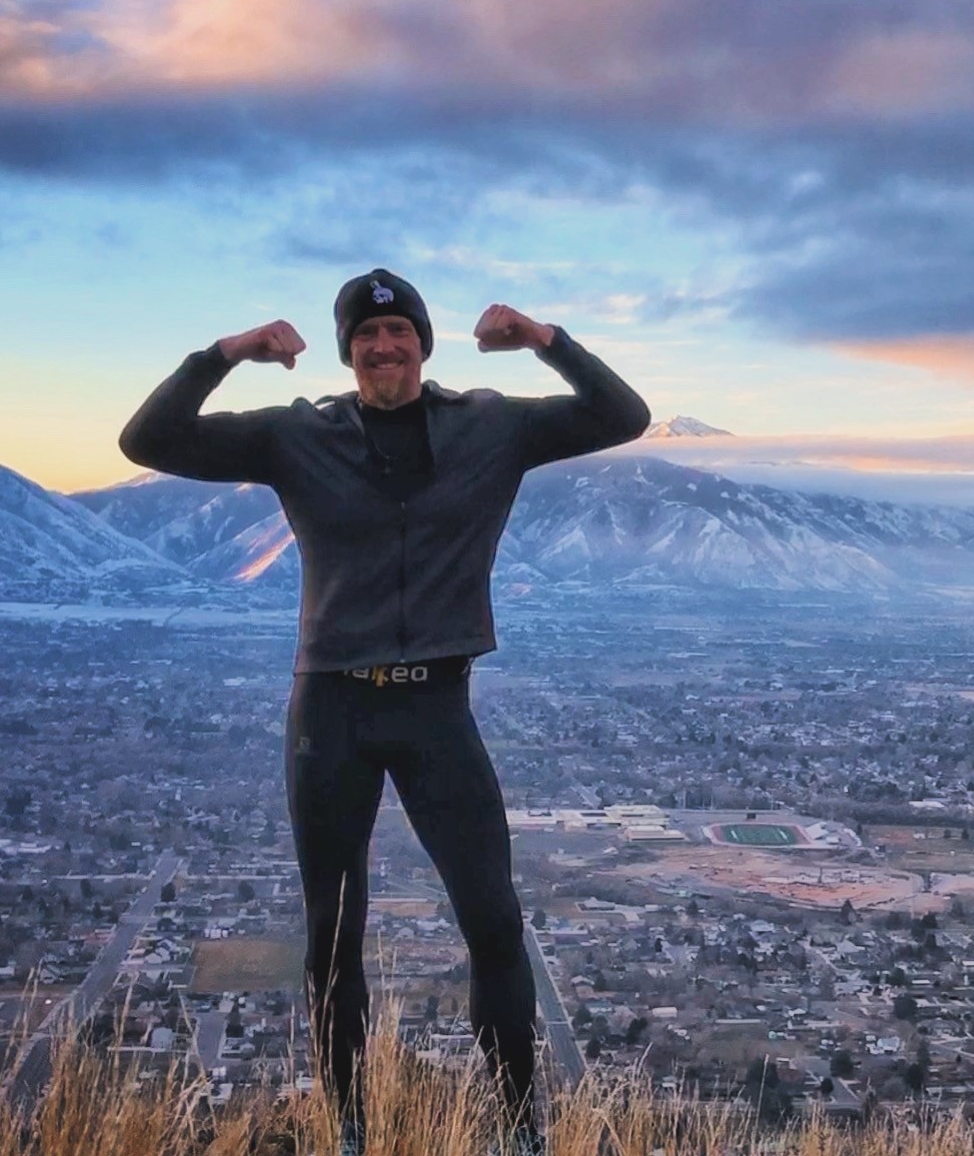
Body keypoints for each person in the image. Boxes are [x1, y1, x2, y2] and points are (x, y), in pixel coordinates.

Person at [120, 269, 650, 1154]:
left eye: (399, 330)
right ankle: (352, 1130)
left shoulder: (493, 425)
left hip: (439, 709)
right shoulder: (298, 435)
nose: (382, 346)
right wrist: (227, 352)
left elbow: (622, 416)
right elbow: (150, 440)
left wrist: (546, 339)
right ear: (347, 352)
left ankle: (522, 1130)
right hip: (330, 713)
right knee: (333, 931)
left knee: (493, 921)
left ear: (422, 343)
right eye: (365, 336)